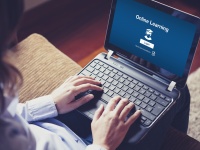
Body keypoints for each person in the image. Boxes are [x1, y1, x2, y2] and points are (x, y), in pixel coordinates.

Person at [0, 0, 190, 150]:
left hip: (52, 125)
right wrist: (102, 145)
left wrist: (50, 103)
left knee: (145, 74)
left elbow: (8, 115)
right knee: (178, 91)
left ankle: (146, 57)